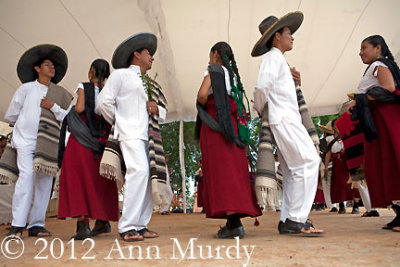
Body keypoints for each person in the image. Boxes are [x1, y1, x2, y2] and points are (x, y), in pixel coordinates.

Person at [252, 11, 323, 235]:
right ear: (276, 36)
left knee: (293, 171)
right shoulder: (273, 57)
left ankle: (287, 220)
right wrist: (263, 109)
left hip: (284, 119)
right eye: (288, 33)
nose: (292, 37)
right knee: (310, 161)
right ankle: (296, 218)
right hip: (284, 119)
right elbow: (261, 88)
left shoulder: (279, 59)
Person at [96, 32, 167, 242]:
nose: (152, 57)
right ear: (136, 54)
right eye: (148, 53)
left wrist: (157, 110)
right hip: (130, 133)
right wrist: (120, 122)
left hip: (148, 136)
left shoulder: (150, 82)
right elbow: (102, 103)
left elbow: (162, 111)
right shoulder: (121, 75)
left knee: (146, 178)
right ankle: (127, 225)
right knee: (139, 171)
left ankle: (140, 224)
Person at [2, 44, 72, 238]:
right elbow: (12, 115)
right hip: (25, 142)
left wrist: (53, 106)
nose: (52, 68)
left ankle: (36, 225)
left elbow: (66, 116)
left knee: (44, 182)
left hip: (48, 143)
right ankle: (17, 225)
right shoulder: (26, 89)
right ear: (37, 69)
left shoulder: (59, 93)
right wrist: (23, 130)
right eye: (47, 65)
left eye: (53, 66)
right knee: (26, 179)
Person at [196, 41, 262, 239]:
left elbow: (201, 95)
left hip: (216, 127)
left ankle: (233, 224)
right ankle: (234, 221)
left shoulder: (213, 71)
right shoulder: (233, 77)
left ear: (215, 54)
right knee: (234, 171)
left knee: (221, 173)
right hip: (233, 127)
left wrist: (202, 103)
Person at [57, 59, 119, 239]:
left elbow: (80, 108)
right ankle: (102, 222)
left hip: (82, 140)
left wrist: (69, 113)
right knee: (102, 180)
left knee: (79, 180)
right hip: (103, 142)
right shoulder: (111, 91)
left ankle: (83, 225)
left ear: (91, 70)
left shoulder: (83, 86)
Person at [347, 35, 400, 231]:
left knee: (391, 161)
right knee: (382, 163)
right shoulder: (378, 65)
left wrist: (358, 100)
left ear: (378, 48)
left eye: (364, 48)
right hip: (381, 118)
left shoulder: (379, 64)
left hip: (387, 117)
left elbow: (389, 88)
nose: (360, 52)